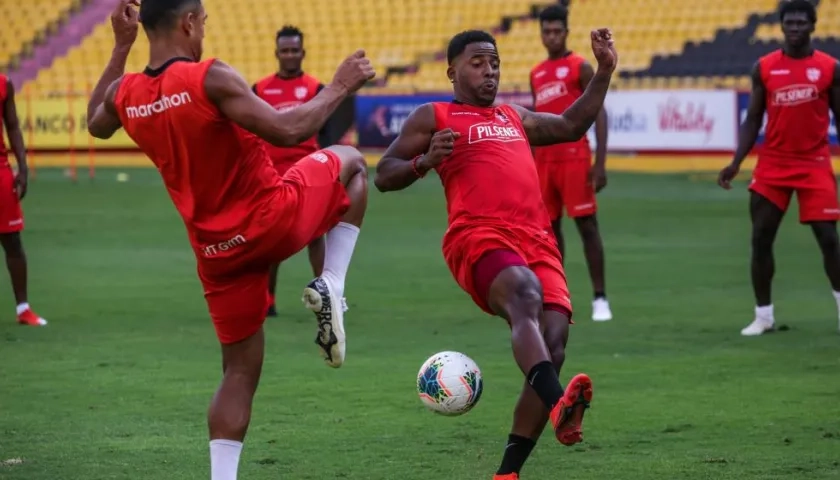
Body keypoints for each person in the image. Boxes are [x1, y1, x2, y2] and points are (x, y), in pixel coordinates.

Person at [86, 1, 373, 479]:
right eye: (203, 23)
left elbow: (96, 122)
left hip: (216, 254)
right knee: (352, 161)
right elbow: (290, 130)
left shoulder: (128, 93)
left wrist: (120, 47)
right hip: (273, 217)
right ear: (188, 22)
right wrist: (342, 84)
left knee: (238, 374)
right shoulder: (209, 77)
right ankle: (333, 285)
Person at [375, 28, 616, 480]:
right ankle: (560, 403)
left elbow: (570, 126)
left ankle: (507, 472)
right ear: (452, 71)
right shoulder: (435, 115)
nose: (490, 70)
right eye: (478, 62)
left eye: (495, 62)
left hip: (537, 240)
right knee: (524, 297)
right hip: (479, 235)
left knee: (555, 340)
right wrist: (423, 162)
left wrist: (603, 71)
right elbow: (384, 174)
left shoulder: (512, 116)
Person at [718, 0, 840, 336]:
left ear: (813, 25)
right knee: (760, 238)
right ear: (782, 26)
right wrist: (736, 162)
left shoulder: (830, 68)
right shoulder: (765, 67)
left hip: (814, 162)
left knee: (829, 239)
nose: (796, 27)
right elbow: (753, 118)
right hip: (773, 162)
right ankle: (764, 317)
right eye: (790, 22)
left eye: (802, 22)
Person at [252, 25, 341, 318]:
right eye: (285, 50)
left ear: (303, 52)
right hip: (272, 178)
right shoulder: (259, 90)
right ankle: (266, 302)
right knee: (271, 243)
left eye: (295, 50)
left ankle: (327, 299)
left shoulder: (316, 90)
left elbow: (327, 137)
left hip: (308, 177)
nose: (290, 55)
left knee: (316, 238)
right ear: (277, 53)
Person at [531, 4, 612, 322]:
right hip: (544, 161)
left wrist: (601, 162)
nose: (551, 37)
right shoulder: (536, 73)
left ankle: (600, 298)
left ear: (566, 32)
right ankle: (557, 295)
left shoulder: (579, 66)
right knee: (549, 231)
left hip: (575, 157)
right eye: (546, 31)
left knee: (587, 225)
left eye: (556, 31)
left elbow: (599, 111)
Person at [0, 75, 47, 327]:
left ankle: (23, 309)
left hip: (1, 173)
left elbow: (13, 125)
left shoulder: (3, 84)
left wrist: (23, 168)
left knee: (12, 241)